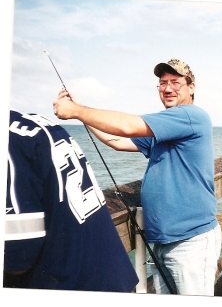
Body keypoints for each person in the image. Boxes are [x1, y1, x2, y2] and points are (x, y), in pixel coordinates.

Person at [52, 58, 222, 296]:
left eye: (176, 82)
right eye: (162, 83)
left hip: (190, 241)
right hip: (164, 240)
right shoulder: (165, 129)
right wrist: (83, 115)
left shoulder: (190, 115)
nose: (168, 88)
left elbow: (128, 126)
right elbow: (118, 141)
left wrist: (76, 110)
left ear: (191, 87)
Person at [4, 109, 139, 292]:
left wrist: (77, 110)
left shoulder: (10, 141)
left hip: (74, 288)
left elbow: (17, 259)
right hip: (113, 276)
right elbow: (118, 142)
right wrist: (79, 115)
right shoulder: (40, 123)